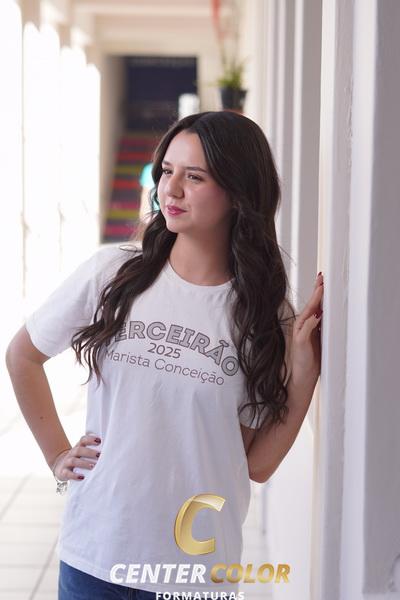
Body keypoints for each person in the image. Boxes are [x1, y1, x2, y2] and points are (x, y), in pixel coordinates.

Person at [5, 110, 324, 600]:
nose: (169, 189)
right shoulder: (113, 274)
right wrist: (57, 455)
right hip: (95, 555)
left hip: (194, 570)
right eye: (167, 171)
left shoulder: (263, 315)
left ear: (238, 192)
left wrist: (304, 374)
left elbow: (255, 464)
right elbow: (23, 356)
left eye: (194, 177)